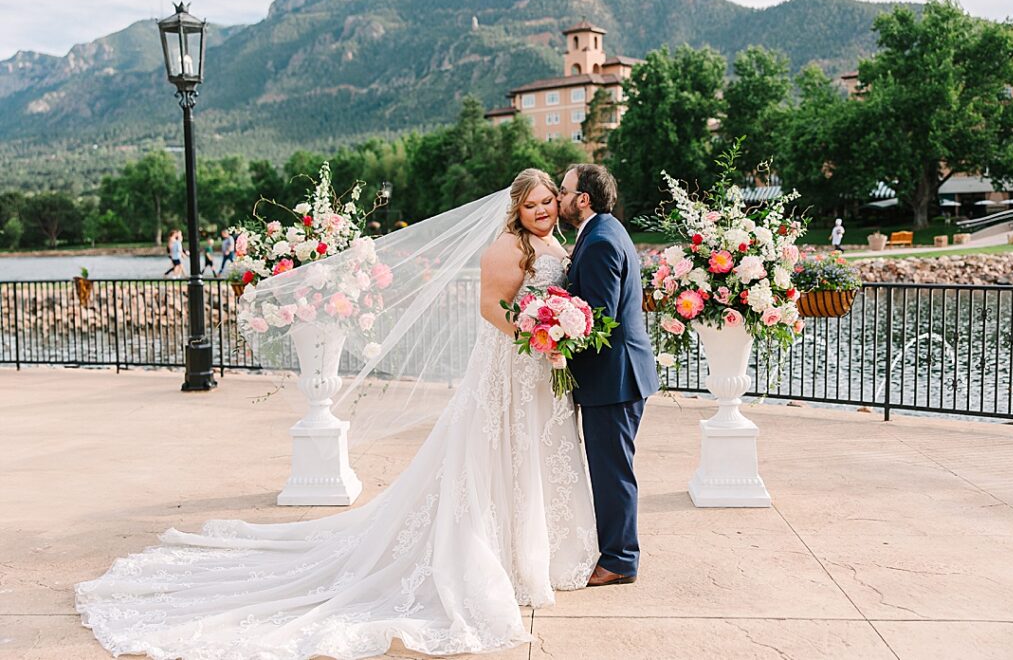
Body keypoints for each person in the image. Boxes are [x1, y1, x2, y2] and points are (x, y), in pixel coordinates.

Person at [76, 169, 600, 659]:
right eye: (531, 205)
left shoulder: (553, 243)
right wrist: (536, 336)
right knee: (495, 454)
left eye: (547, 203)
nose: (541, 212)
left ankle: (533, 552)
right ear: (517, 208)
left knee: (527, 453)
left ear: (557, 203)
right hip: (509, 367)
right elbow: (491, 308)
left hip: (537, 370)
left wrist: (554, 334)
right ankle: (495, 557)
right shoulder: (505, 247)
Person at [558, 164, 659, 587]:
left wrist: (553, 336)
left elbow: (596, 319)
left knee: (612, 472)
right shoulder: (605, 231)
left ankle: (619, 559)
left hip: (613, 380)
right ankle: (614, 550)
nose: (559, 198)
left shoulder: (599, 241)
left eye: (563, 191)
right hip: (617, 377)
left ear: (583, 198)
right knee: (610, 468)